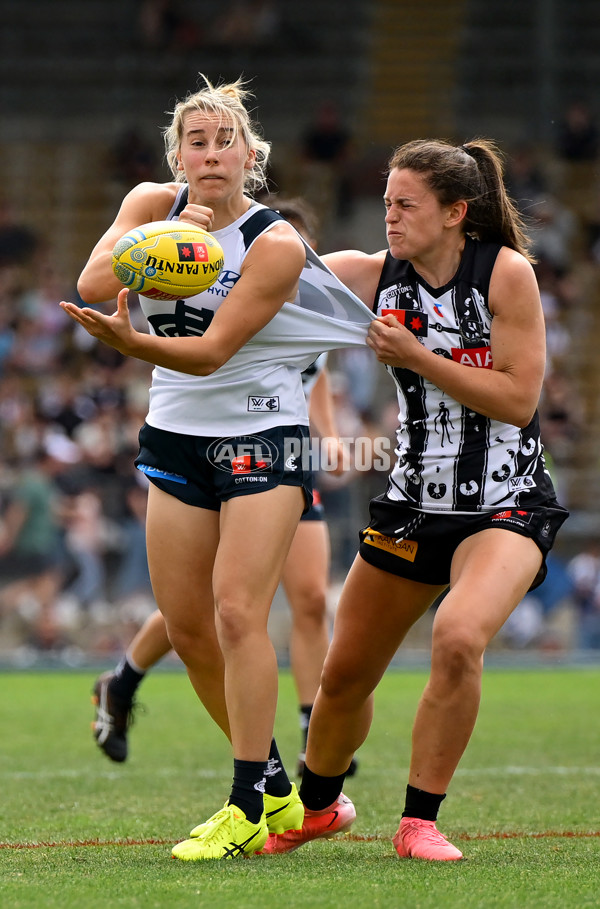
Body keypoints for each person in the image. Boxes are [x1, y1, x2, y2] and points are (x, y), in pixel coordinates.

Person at [60, 76, 372, 861]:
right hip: (173, 437)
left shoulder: (274, 240)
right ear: (177, 156)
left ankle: (240, 802)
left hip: (261, 434)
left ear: (250, 155)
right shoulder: (147, 204)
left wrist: (134, 341)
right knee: (191, 624)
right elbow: (94, 285)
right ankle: (271, 781)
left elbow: (209, 353)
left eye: (222, 141)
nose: (209, 153)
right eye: (194, 142)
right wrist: (168, 240)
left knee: (239, 611)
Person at [262, 138, 569, 862]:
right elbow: (275, 274)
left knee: (458, 636)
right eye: (387, 203)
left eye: (406, 205)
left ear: (456, 212)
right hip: (411, 506)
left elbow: (520, 397)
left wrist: (418, 357)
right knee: (340, 679)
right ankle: (319, 806)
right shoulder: (372, 275)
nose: (390, 217)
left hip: (506, 501)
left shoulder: (507, 274)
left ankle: (418, 820)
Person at [90, 197, 356, 777]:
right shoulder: (206, 262)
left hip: (275, 447)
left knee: (296, 599)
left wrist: (332, 439)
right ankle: (124, 681)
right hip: (193, 438)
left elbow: (316, 381)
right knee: (201, 609)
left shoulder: (306, 295)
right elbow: (94, 283)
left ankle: (308, 730)